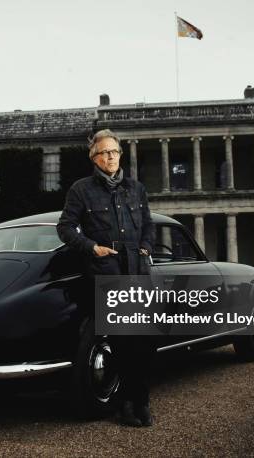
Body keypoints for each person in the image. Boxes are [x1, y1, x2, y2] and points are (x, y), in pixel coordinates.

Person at [56, 129, 156, 427]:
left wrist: (147, 246)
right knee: (124, 344)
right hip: (107, 273)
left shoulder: (136, 189)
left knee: (144, 343)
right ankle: (128, 405)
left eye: (114, 152)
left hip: (137, 272)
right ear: (94, 157)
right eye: (104, 152)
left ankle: (141, 401)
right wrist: (91, 248)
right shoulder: (81, 190)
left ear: (120, 155)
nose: (110, 157)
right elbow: (65, 227)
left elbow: (149, 224)